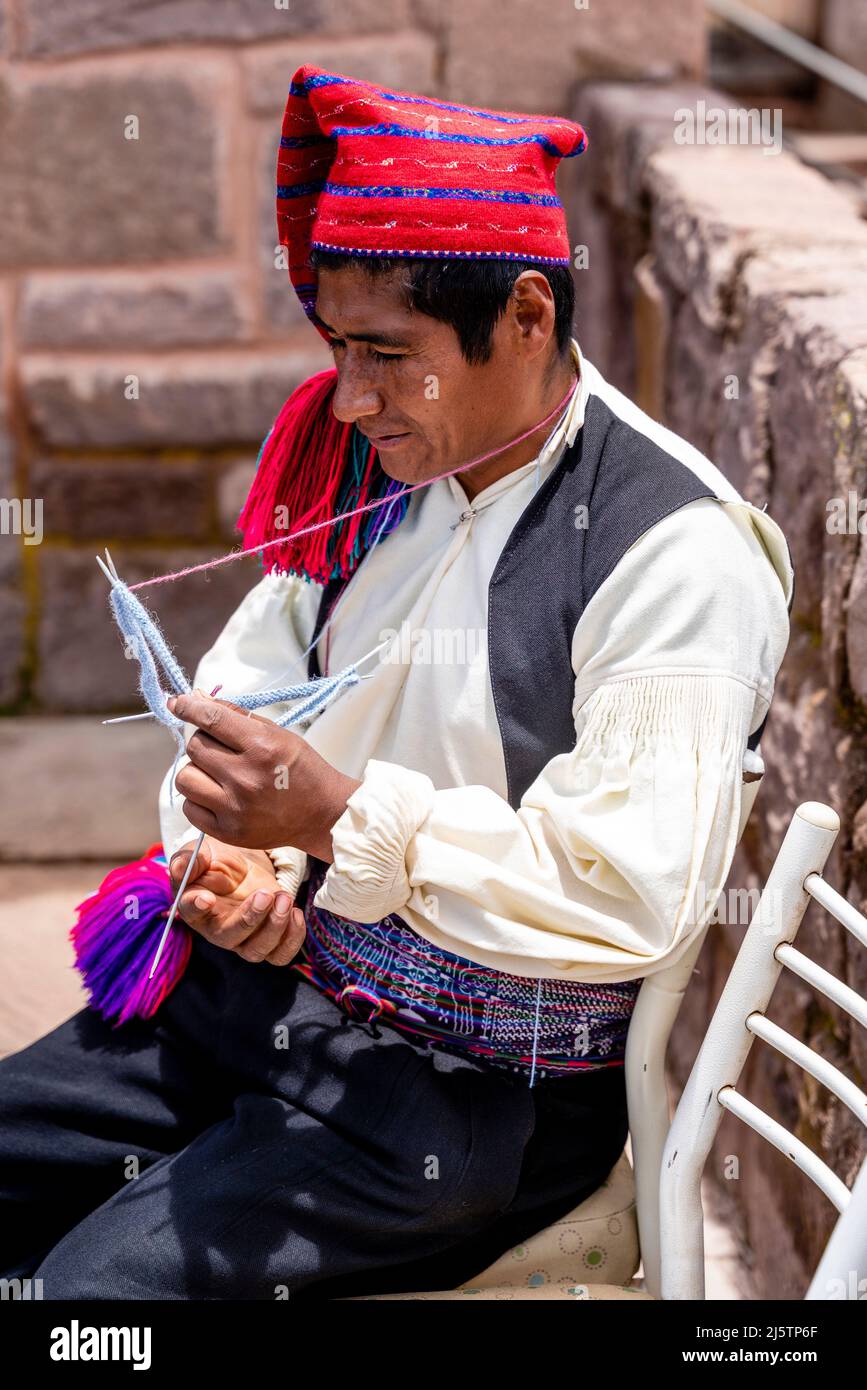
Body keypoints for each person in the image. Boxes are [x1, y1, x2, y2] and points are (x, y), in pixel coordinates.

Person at [0, 65, 793, 1300]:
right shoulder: (369, 467)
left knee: (89, 1303)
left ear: (527, 316)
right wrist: (241, 866)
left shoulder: (672, 549)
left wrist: (333, 817)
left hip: (475, 1099)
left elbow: (630, 887)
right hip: (272, 995)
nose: (350, 394)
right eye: (336, 345)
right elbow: (246, 698)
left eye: (387, 353)